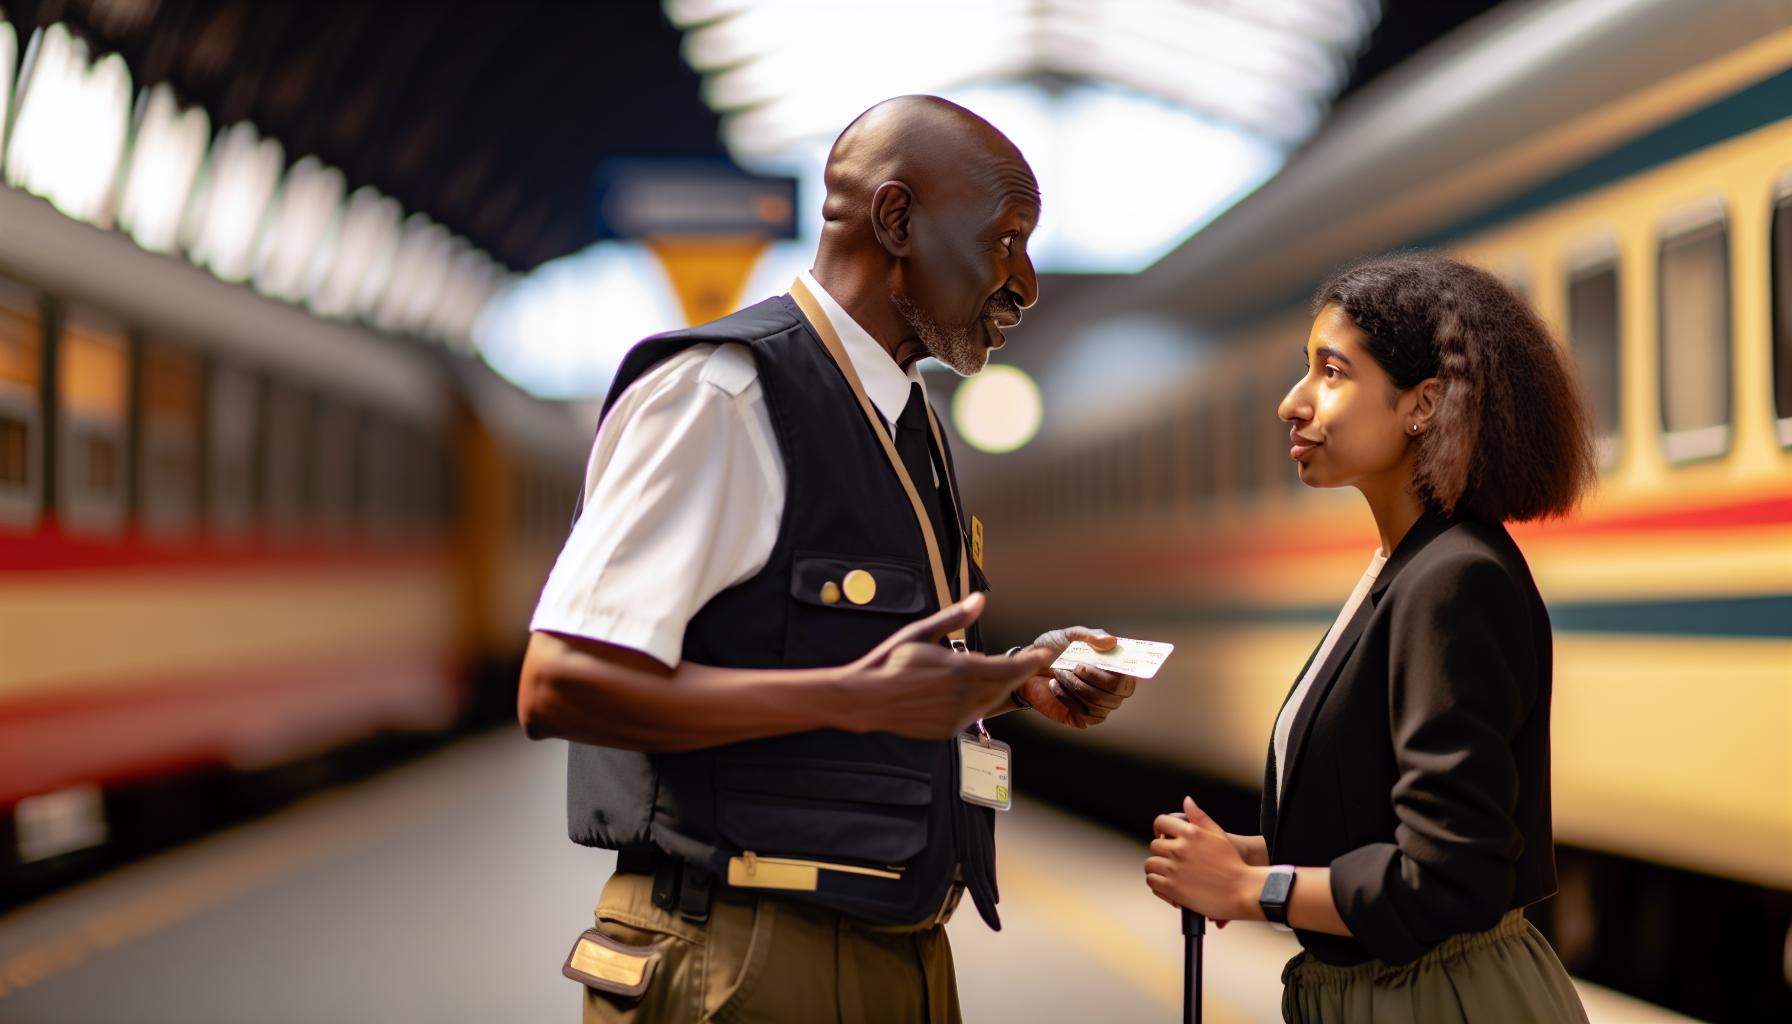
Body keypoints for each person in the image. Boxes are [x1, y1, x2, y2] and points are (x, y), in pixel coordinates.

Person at [519, 95, 1143, 1024]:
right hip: (741, 956)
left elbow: (836, 658)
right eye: (1006, 240)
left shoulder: (910, 422)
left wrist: (1005, 682)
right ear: (896, 220)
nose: (1027, 283)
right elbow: (559, 685)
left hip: (893, 956)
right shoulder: (724, 394)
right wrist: (853, 700)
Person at [1143, 252, 1597, 1022]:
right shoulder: (1404, 567)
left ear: (1421, 405)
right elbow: (1384, 824)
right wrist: (1256, 856)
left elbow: (1450, 876)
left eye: (1332, 371)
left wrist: (1255, 889)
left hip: (1441, 1002)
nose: (1293, 403)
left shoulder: (1455, 580)